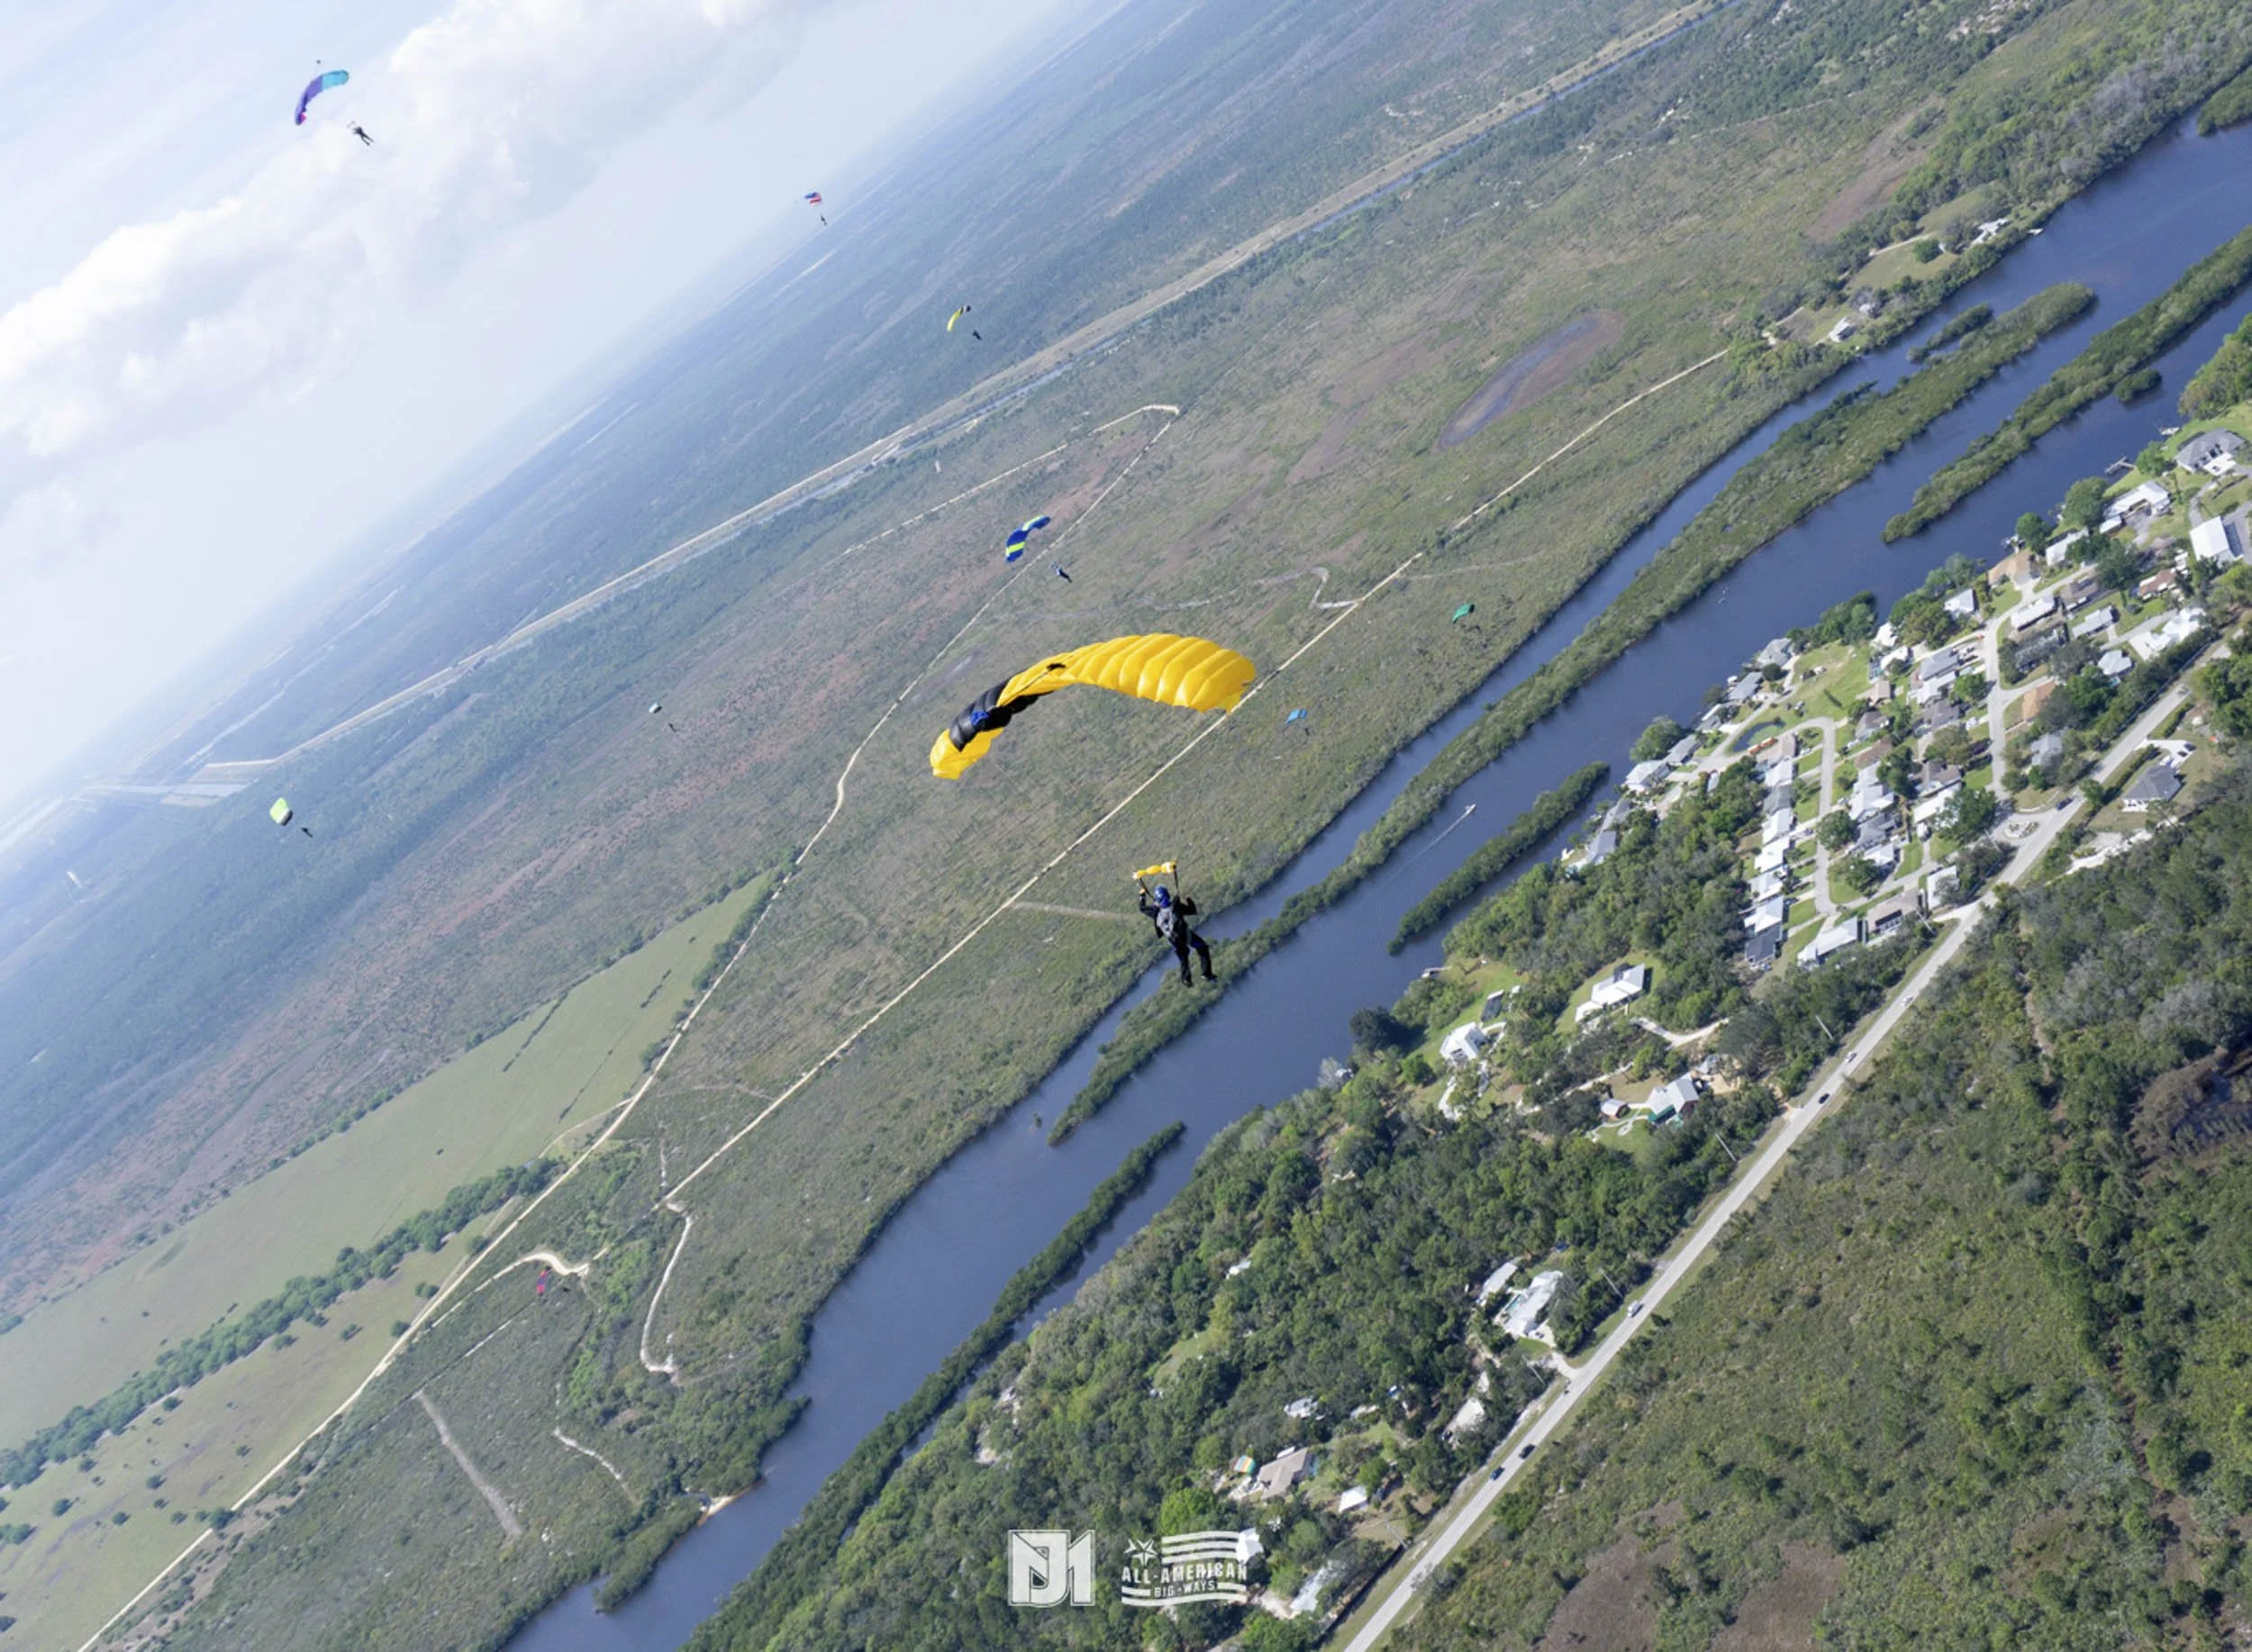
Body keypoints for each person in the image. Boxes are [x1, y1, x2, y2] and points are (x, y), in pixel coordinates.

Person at [1138, 882, 1213, 985]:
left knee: (1184, 958)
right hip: (1186, 935)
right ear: (1167, 895)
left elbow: (1142, 908)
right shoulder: (1176, 906)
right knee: (1202, 947)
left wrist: (1142, 895)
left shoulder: (1155, 912)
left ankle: (1186, 979)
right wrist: (1188, 899)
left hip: (1174, 940)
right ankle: (1207, 974)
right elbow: (1192, 910)